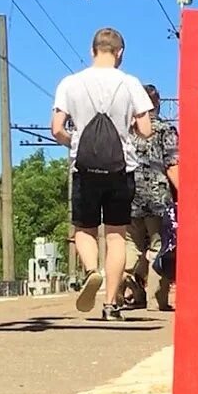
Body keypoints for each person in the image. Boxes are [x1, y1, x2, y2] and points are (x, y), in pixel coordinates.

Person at [51, 27, 153, 320]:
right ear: (120, 52)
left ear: (92, 50)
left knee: (84, 229)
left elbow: (57, 128)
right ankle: (111, 304)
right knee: (116, 236)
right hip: (121, 169)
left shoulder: (70, 83)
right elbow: (146, 130)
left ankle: (90, 270)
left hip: (84, 168)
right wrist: (129, 128)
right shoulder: (130, 83)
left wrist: (77, 143)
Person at [126, 84, 178, 311]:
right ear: (157, 104)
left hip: (128, 194)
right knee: (159, 244)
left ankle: (129, 289)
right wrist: (184, 193)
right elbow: (172, 165)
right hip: (158, 196)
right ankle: (159, 298)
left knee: (130, 244)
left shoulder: (126, 129)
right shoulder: (166, 130)